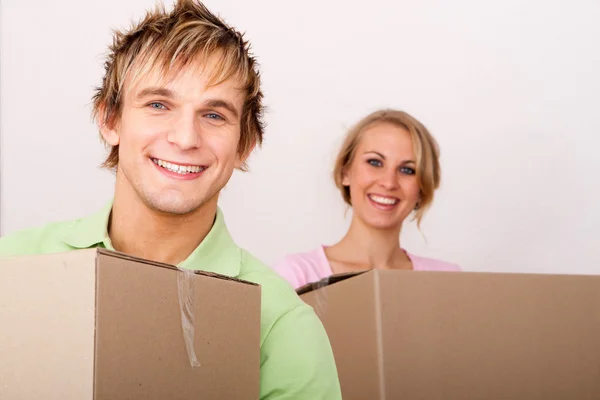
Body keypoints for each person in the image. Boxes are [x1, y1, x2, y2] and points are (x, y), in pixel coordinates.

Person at [0, 1, 342, 398]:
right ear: (110, 120)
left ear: (245, 144)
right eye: (159, 105)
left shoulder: (281, 325)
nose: (185, 138)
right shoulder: (12, 266)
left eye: (214, 115)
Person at [272, 109, 460, 289]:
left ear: (421, 188)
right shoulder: (296, 275)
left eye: (407, 170)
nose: (389, 182)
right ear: (346, 172)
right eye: (375, 162)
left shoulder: (448, 280)